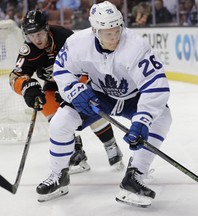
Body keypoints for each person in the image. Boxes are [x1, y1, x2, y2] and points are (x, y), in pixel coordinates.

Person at [36, 1, 172, 207]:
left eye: (117, 30)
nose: (114, 37)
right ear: (94, 30)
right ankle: (58, 176)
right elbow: (62, 70)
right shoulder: (78, 43)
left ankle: (135, 176)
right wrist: (74, 90)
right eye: (108, 33)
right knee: (60, 122)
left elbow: (156, 85)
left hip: (132, 98)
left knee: (163, 118)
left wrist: (142, 120)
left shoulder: (136, 46)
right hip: (98, 95)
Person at [9, 10, 124, 174]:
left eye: (40, 33)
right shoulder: (28, 50)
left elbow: (87, 64)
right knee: (55, 118)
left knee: (91, 109)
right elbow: (16, 76)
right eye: (31, 35)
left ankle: (111, 145)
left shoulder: (65, 38)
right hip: (52, 85)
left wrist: (74, 89)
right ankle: (76, 153)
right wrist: (27, 87)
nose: (37, 39)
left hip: (79, 80)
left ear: (47, 29)